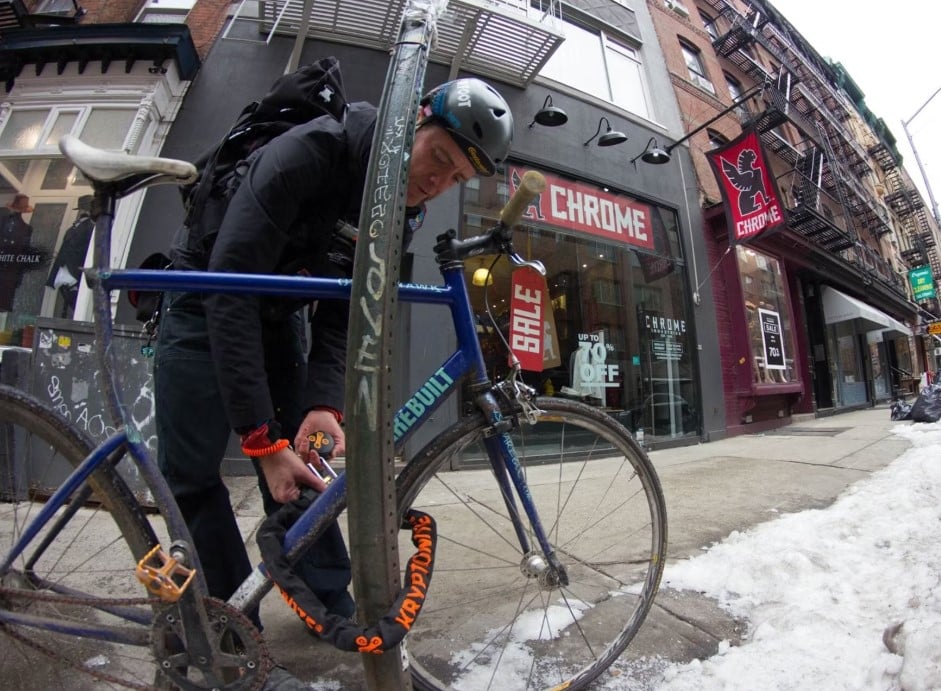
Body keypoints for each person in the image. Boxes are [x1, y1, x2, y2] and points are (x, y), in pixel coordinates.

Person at [154, 78, 514, 626]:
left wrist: (323, 402)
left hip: (279, 311)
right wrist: (261, 438)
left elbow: (350, 306)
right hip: (205, 293)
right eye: (438, 156)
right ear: (414, 121)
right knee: (193, 474)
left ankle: (328, 603)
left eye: (456, 178)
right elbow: (228, 286)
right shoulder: (312, 150)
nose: (439, 181)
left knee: (307, 461)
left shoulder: (400, 210)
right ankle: (228, 622)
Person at [46, 195, 94, 317]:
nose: (80, 212)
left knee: (76, 306)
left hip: (76, 272)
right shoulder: (75, 226)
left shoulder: (90, 227)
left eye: (82, 209)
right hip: (67, 273)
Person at [0, 193, 34, 312]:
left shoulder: (26, 229)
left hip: (9, 274)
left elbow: (23, 253)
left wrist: (18, 277)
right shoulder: (2, 220)